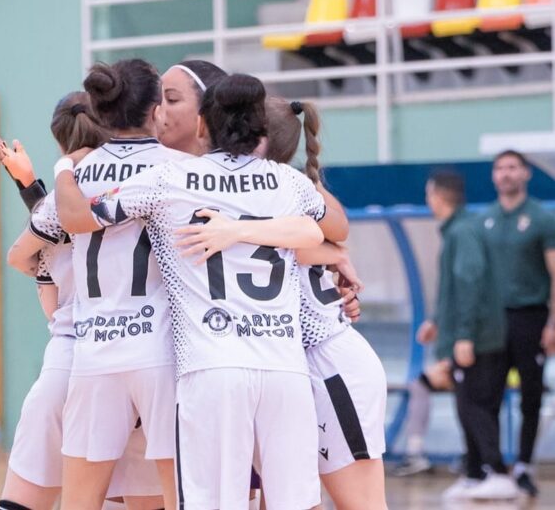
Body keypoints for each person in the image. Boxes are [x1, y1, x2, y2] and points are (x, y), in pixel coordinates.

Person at [56, 73, 344, 509]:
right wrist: (267, 231)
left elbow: (77, 216)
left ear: (202, 125)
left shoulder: (168, 178)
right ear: (261, 129)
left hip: (212, 366)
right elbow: (334, 229)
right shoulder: (288, 182)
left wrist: (64, 167)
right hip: (284, 369)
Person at [174, 97, 388, 510]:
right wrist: (336, 254)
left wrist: (335, 253)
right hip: (282, 366)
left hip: (327, 361)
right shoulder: (273, 199)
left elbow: (321, 237)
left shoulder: (283, 196)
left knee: (362, 504)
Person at [0, 92, 164, 510]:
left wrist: (31, 190)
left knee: (28, 499)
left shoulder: (58, 203)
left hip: (76, 353)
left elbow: (23, 253)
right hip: (147, 351)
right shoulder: (149, 182)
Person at [421, 170, 515, 501]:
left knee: (476, 406)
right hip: (471, 335)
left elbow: (469, 282)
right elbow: (454, 288)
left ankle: (498, 472)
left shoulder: (463, 232)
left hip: (479, 338)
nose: (428, 200)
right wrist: (437, 321)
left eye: (429, 194)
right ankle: (475, 474)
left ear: (438, 196)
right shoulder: (458, 231)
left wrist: (464, 335)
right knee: (466, 404)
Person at [480, 149, 555, 497]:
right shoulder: (486, 219)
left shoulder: (541, 218)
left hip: (530, 316)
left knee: (530, 396)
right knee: (489, 393)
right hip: (493, 320)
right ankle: (493, 467)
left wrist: (552, 323)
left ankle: (524, 464)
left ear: (525, 173)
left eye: (512, 167)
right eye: (500, 168)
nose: (506, 173)